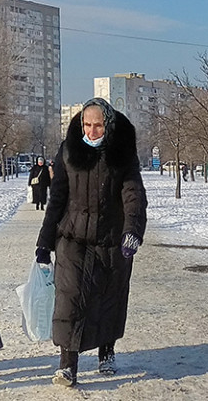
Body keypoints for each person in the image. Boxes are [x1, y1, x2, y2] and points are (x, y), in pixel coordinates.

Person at [35, 97, 147, 387]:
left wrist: (132, 231)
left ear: (107, 124)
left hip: (112, 239)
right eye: (87, 124)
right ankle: (67, 365)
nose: (92, 131)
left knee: (108, 298)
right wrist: (44, 243)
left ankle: (106, 351)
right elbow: (57, 198)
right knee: (69, 299)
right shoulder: (69, 151)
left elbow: (133, 195)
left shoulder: (123, 153)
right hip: (73, 238)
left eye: (98, 125)